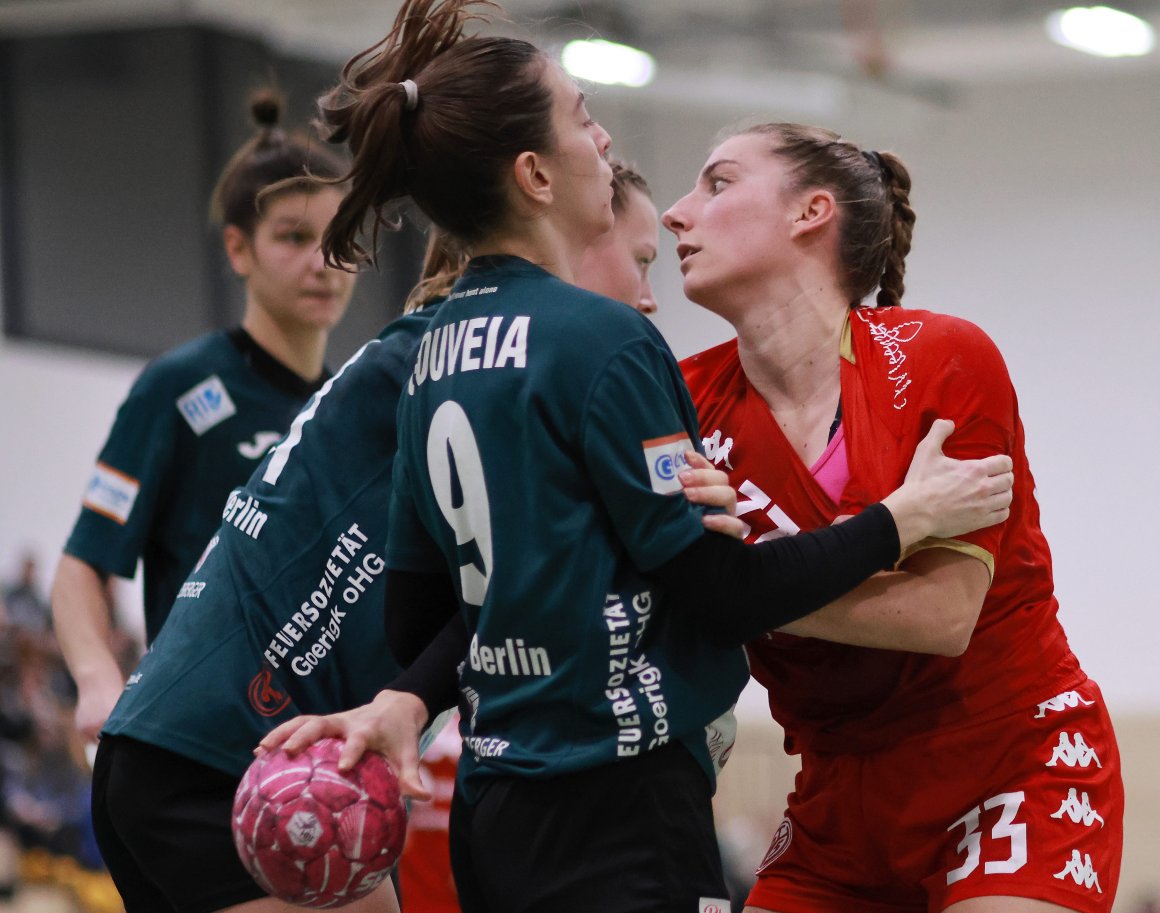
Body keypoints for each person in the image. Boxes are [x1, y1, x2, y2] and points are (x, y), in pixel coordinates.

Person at [258, 3, 1013, 911]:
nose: (604, 136)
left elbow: (422, 615)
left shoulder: (430, 350)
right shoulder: (605, 342)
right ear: (535, 175)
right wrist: (904, 519)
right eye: (583, 118)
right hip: (622, 803)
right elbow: (718, 593)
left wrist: (416, 694)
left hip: (495, 809)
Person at [88, 186, 712, 913]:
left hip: (199, 746)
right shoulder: (486, 366)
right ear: (559, 232)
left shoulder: (431, 344)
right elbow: (516, 593)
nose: (648, 297)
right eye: (639, 262)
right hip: (240, 763)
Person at [665, 122, 1124, 913]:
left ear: (811, 212)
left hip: (1009, 759)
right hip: (838, 794)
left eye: (717, 183)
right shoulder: (680, 397)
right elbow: (683, 594)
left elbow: (939, 614)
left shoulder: (946, 355)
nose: (678, 212)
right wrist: (883, 531)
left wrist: (735, 588)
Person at [50, 91, 356, 744]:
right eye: (294, 237)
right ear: (239, 249)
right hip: (192, 744)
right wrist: (98, 677)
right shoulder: (179, 387)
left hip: (311, 752)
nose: (322, 263)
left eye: (339, 241)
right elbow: (82, 564)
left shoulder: (349, 410)